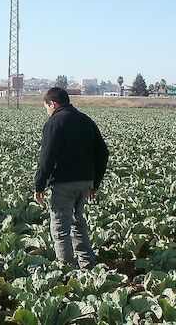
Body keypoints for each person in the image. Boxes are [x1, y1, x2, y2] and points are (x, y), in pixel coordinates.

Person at [34, 87, 109, 269]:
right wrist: (95, 183)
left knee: (60, 228)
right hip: (85, 183)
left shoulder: (55, 122)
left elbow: (47, 157)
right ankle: (87, 263)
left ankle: (67, 270)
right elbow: (103, 153)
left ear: (53, 103)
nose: (47, 111)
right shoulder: (86, 120)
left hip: (64, 184)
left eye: (47, 107)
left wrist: (39, 186)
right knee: (78, 222)